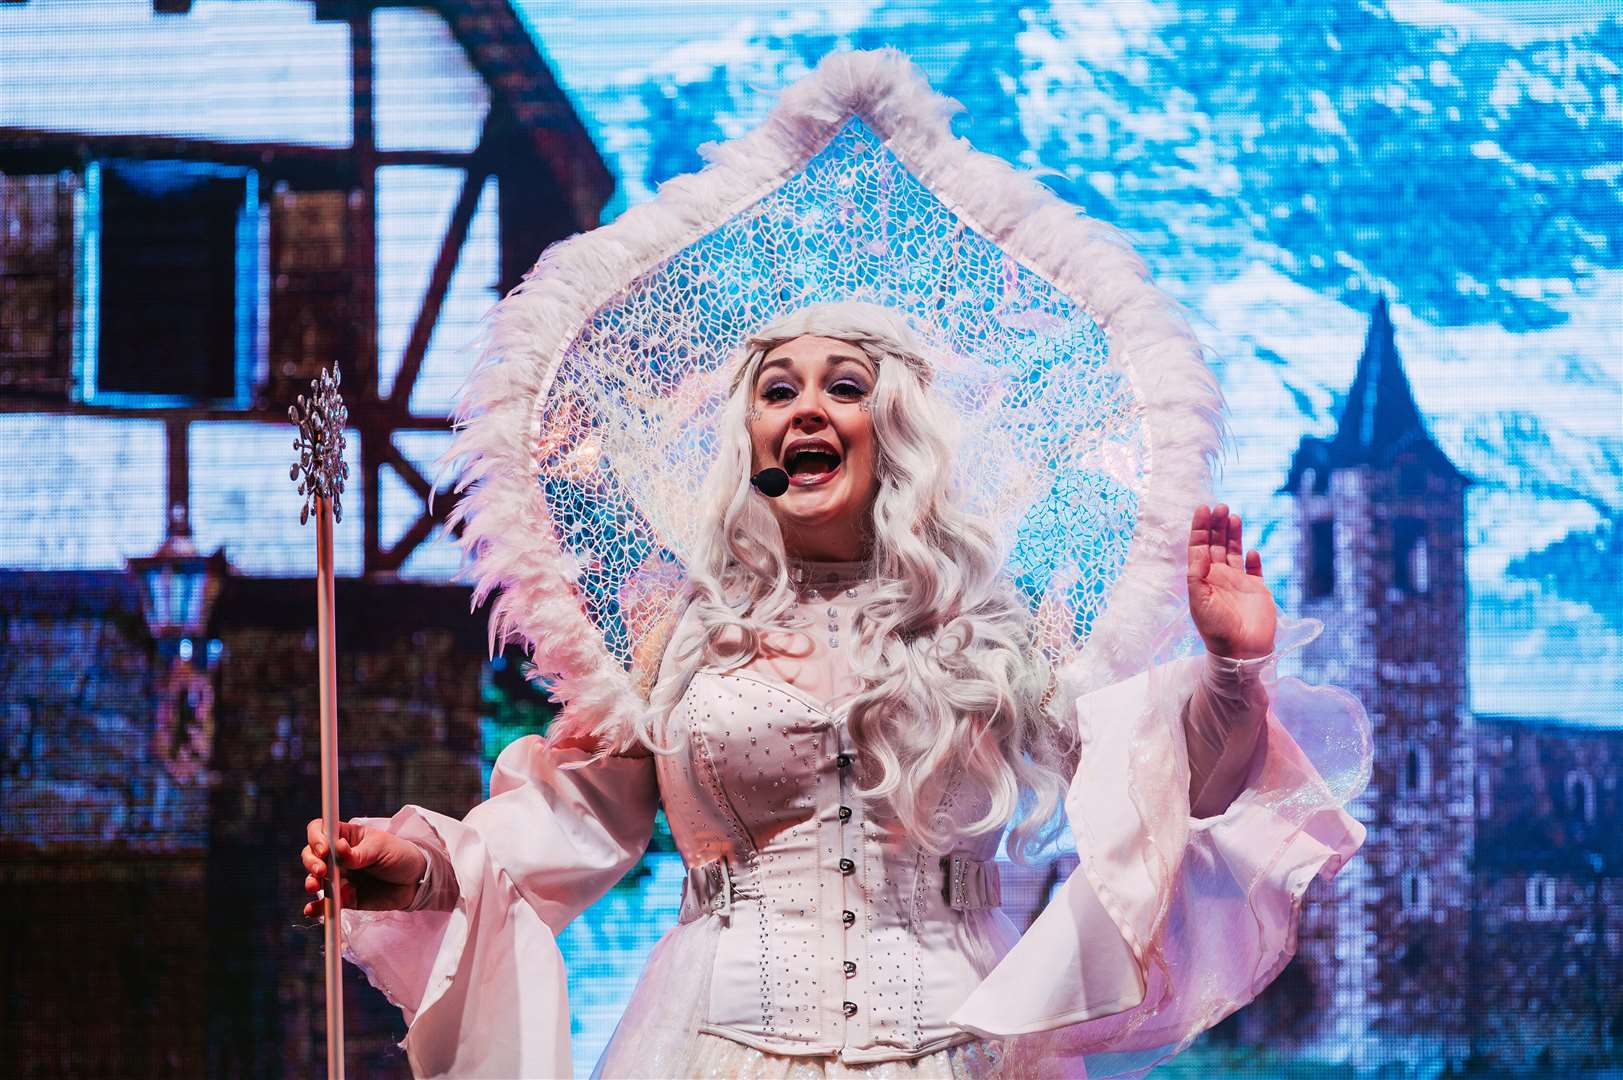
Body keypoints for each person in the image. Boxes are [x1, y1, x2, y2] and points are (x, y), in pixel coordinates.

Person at [300, 303, 1367, 1078]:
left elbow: (1177, 788)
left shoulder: (993, 634)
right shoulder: (678, 635)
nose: (806, 408)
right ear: (753, 441)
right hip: (716, 1044)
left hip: (961, 1044)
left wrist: (1233, 667)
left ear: (893, 431)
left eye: (843, 388)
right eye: (778, 391)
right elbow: (563, 822)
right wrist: (418, 864)